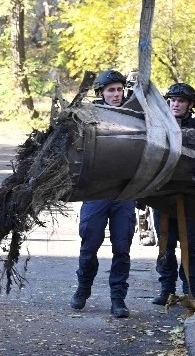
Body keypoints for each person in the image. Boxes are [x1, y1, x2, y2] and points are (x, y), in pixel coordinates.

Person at [70, 70, 136, 318]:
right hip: (96, 192)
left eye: (119, 90)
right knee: (89, 246)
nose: (116, 95)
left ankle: (118, 298)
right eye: (111, 90)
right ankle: (82, 289)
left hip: (124, 193)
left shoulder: (135, 115)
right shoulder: (89, 117)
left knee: (122, 248)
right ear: (101, 93)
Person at [152, 83, 195, 306]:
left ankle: (190, 291)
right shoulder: (158, 126)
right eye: (173, 100)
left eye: (181, 101)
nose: (176, 104)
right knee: (166, 245)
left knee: (190, 245)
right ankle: (166, 290)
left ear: (190, 105)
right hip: (163, 196)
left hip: (190, 198)